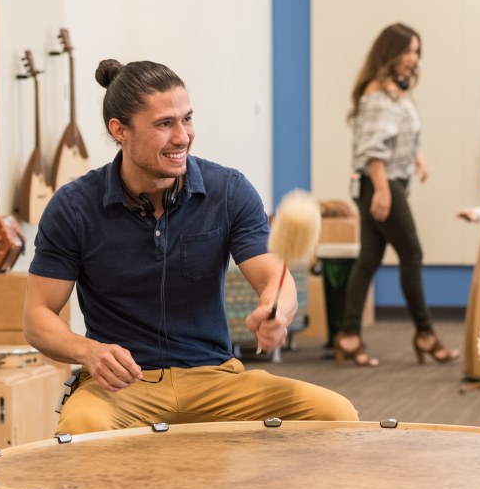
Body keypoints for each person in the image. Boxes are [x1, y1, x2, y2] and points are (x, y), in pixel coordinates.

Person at [23, 59, 358, 434]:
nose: (182, 136)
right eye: (165, 124)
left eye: (187, 119)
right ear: (120, 130)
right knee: (81, 430)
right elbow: (37, 317)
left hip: (216, 377)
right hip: (121, 388)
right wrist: (89, 352)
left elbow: (272, 279)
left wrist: (277, 310)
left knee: (337, 414)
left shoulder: (228, 190)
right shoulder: (73, 207)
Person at [336, 22, 459, 367]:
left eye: (417, 51)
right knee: (412, 253)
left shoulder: (396, 92)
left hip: (388, 183)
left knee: (369, 260)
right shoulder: (377, 95)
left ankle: (347, 334)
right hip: (382, 183)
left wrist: (417, 158)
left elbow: (400, 135)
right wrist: (381, 190)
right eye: (407, 51)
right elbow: (373, 148)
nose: (413, 58)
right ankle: (425, 333)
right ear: (390, 52)